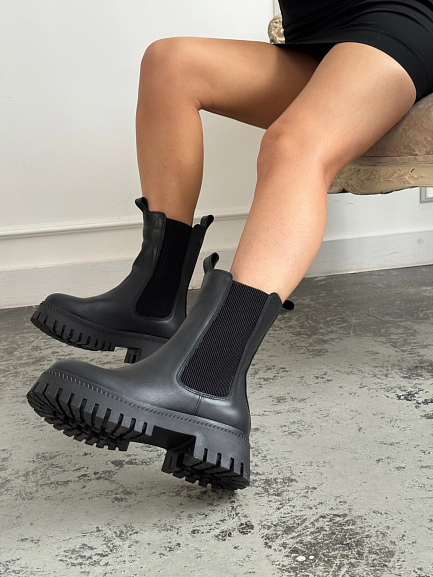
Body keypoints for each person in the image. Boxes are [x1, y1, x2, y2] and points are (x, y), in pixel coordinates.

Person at [27, 0, 433, 490]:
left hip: (401, 24)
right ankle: (152, 303)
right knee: (170, 62)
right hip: (320, 33)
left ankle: (208, 377)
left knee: (295, 144)